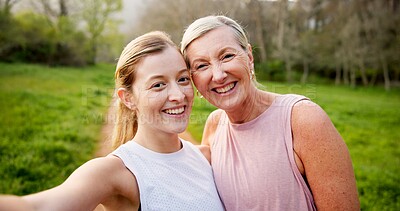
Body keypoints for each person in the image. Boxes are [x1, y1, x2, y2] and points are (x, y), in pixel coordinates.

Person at [0, 31, 224, 211]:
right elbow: (34, 206)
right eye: (158, 84)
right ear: (128, 99)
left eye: (183, 79)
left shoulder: (204, 157)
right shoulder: (117, 172)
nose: (178, 95)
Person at [180, 15, 360, 211]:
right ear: (193, 79)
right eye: (202, 66)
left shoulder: (303, 119)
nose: (219, 75)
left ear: (249, 57)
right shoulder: (215, 125)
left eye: (227, 56)